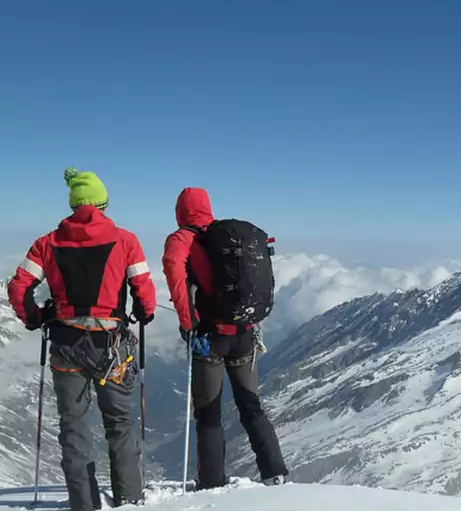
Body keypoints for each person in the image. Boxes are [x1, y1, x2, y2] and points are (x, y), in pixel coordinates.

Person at [7, 168, 156, 511]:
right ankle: (129, 501)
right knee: (119, 424)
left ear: (73, 205)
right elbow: (143, 289)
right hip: (111, 346)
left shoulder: (47, 243)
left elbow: (19, 287)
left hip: (65, 344)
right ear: (103, 203)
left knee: (73, 430)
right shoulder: (125, 239)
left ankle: (84, 505)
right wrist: (144, 313)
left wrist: (34, 318)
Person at [161, 187, 288, 490]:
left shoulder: (182, 240)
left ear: (181, 210)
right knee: (251, 405)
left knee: (209, 412)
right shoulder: (231, 238)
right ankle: (275, 473)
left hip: (210, 337)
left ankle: (212, 483)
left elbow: (175, 277)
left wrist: (187, 322)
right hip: (245, 333)